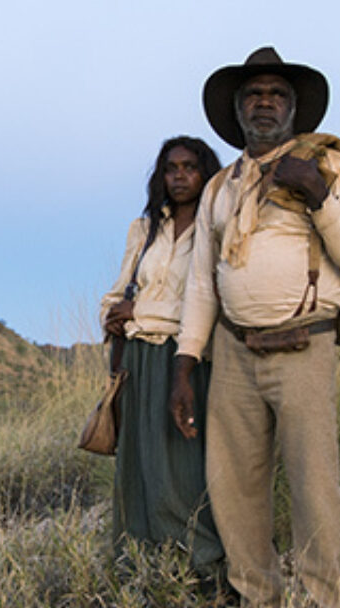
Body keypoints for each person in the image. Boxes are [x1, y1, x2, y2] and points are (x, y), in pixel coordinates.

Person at [169, 47, 340, 608]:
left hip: (304, 345)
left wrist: (315, 192)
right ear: (238, 110)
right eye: (254, 94)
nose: (265, 102)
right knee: (234, 486)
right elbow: (201, 284)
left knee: (314, 487)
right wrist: (185, 363)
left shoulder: (327, 165)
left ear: (293, 108)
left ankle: (325, 597)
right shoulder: (221, 186)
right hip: (234, 351)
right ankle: (257, 595)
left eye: (276, 94)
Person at [100, 135, 226, 579]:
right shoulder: (145, 229)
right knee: (138, 467)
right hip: (137, 358)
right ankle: (140, 567)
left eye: (190, 167)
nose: (179, 176)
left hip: (186, 360)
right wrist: (112, 317)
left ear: (206, 173)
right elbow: (117, 295)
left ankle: (199, 567)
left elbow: (209, 301)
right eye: (171, 168)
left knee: (182, 468)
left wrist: (141, 311)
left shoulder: (217, 227)